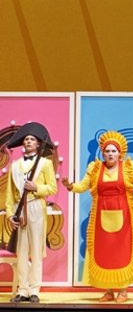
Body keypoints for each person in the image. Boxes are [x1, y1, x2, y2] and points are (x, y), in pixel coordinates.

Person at [62, 130, 133, 303]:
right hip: (100, 218)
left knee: (122, 253)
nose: (110, 154)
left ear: (120, 153)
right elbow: (82, 187)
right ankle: (109, 291)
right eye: (107, 151)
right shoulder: (95, 168)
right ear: (103, 153)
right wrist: (70, 186)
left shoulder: (128, 167)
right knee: (105, 253)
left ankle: (123, 290)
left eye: (113, 151)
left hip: (125, 218)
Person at [4, 122, 57, 304]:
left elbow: (52, 187)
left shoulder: (45, 164)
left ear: (38, 143)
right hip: (20, 210)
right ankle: (23, 289)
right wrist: (10, 214)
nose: (28, 141)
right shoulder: (15, 166)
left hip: (36, 207)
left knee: (35, 250)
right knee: (21, 251)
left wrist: (36, 188)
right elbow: (10, 194)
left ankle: (34, 289)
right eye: (26, 139)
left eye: (32, 139)